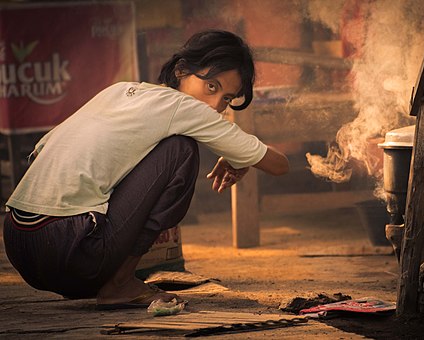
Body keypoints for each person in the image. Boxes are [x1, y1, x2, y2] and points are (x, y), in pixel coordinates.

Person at [2, 29, 289, 310]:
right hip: (70, 249)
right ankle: (120, 283)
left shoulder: (119, 91)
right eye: (211, 86)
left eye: (227, 98)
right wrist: (241, 159)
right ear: (181, 71)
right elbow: (279, 165)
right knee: (180, 149)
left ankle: (104, 278)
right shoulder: (186, 108)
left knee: (147, 155)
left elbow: (40, 150)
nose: (215, 105)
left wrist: (237, 157)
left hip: (18, 241)